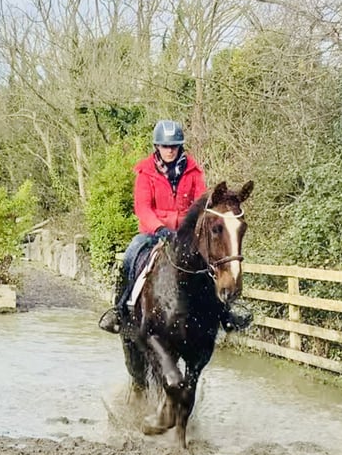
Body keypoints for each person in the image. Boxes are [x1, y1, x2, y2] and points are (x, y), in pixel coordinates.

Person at [98, 119, 251, 334]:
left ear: (180, 146)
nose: (169, 150)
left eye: (174, 146)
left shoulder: (194, 171)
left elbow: (201, 205)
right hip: (153, 233)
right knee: (131, 253)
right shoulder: (145, 172)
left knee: (211, 258)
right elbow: (142, 207)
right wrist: (160, 228)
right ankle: (120, 308)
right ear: (157, 147)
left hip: (187, 235)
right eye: (165, 146)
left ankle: (225, 312)